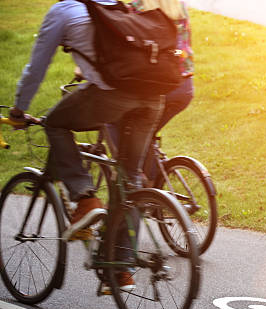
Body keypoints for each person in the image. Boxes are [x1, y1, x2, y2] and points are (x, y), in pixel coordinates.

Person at [10, 0, 164, 291]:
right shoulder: (118, 5)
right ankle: (119, 269)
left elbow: (37, 68)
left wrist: (18, 110)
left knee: (54, 123)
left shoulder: (63, 11)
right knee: (129, 179)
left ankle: (84, 198)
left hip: (112, 95)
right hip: (153, 97)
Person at [105, 0, 194, 185]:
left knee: (113, 121)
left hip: (159, 86)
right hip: (184, 86)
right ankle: (152, 189)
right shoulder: (179, 5)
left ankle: (142, 187)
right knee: (144, 134)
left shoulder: (136, 8)